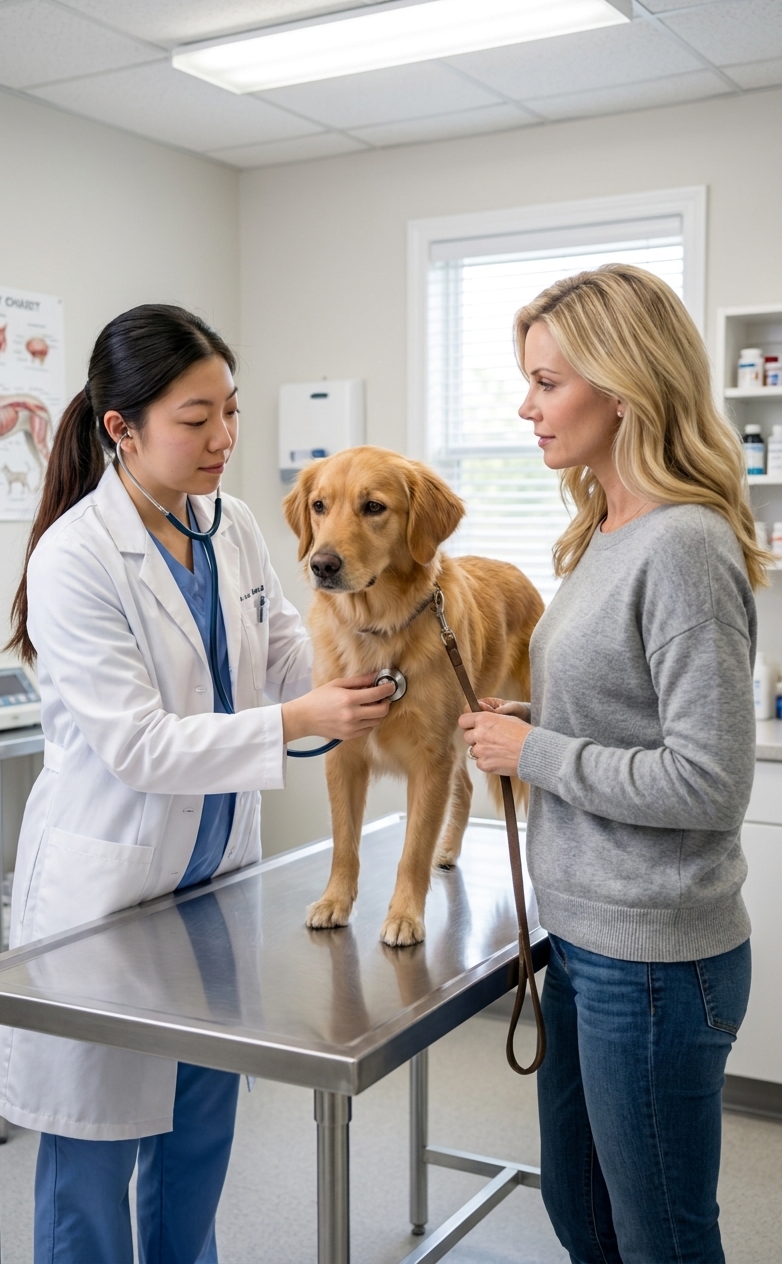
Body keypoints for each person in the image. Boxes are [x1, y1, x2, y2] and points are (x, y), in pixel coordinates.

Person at [0, 304, 394, 1264]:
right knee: (90, 1168)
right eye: (194, 418)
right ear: (120, 429)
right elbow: (137, 745)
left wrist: (372, 654)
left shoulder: (232, 526)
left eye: (230, 412)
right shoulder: (75, 557)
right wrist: (301, 722)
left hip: (212, 897)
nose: (222, 438)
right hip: (106, 905)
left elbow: (283, 653)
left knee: (194, 1149)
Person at [458, 264, 766, 1263]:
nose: (526, 404)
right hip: (585, 942)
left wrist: (534, 749)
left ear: (624, 383)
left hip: (657, 962)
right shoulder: (603, 531)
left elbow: (707, 784)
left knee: (662, 1239)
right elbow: (629, 712)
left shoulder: (683, 544)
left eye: (548, 381)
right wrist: (534, 714)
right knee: (583, 1220)